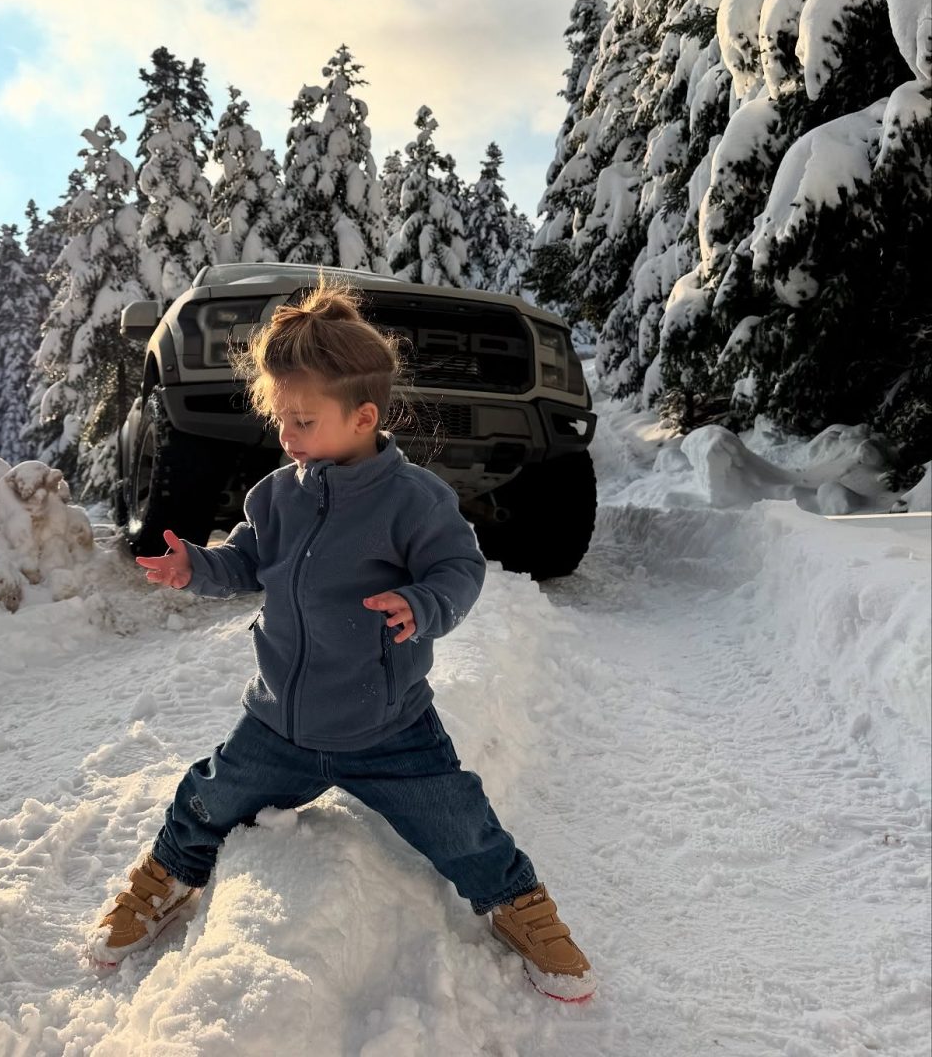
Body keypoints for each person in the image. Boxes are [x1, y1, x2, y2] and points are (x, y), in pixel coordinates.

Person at [88, 277, 596, 1002]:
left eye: (302, 420)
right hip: (280, 724)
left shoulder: (413, 499)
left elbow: (459, 568)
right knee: (206, 798)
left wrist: (422, 603)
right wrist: (195, 567)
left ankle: (521, 905)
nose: (286, 436)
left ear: (363, 417)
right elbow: (247, 561)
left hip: (389, 728)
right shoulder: (276, 496)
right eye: (281, 419)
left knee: (460, 823)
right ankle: (166, 878)